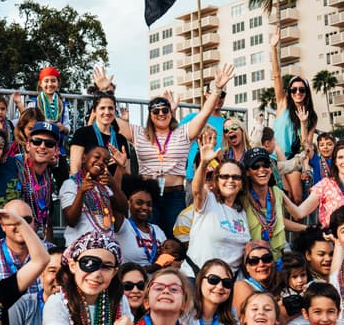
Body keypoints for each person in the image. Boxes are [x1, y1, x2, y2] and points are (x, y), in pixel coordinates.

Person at [111, 64, 233, 234]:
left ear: (170, 112)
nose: (161, 113)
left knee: (175, 240)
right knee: (147, 235)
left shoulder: (183, 132)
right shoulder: (139, 133)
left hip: (174, 195)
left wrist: (217, 90)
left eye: (165, 110)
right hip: (148, 195)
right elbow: (111, 119)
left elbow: (204, 114)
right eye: (156, 110)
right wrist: (106, 93)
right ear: (150, 115)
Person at [189, 133, 251, 273]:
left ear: (242, 184)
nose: (230, 180)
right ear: (217, 181)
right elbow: (197, 191)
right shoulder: (208, 200)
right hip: (199, 277)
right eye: (224, 176)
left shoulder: (242, 212)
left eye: (236, 177)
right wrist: (204, 163)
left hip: (229, 281)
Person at [268, 28, 318, 200]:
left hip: (293, 159)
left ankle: (293, 227)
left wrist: (303, 123)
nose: (298, 92)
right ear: (289, 92)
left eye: (301, 89)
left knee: (296, 198)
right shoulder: (283, 103)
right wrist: (273, 48)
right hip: (273, 156)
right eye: (294, 89)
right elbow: (276, 75)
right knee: (283, 194)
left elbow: (307, 146)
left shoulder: (311, 116)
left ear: (306, 92)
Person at [0, 121, 61, 244]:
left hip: (21, 244)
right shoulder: (8, 164)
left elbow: (47, 219)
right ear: (28, 145)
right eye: (37, 141)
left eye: (49, 144)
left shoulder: (47, 180)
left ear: (56, 150)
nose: (42, 146)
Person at [291, 139, 344, 229]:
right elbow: (299, 213)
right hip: (333, 241)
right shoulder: (325, 185)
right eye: (340, 157)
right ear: (335, 162)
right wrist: (281, 195)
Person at [61, 144, 129, 244]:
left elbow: (123, 208)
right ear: (84, 158)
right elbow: (71, 221)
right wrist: (81, 192)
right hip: (80, 248)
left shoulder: (105, 187)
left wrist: (114, 184)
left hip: (106, 247)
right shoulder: (71, 184)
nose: (101, 162)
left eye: (105, 161)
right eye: (97, 157)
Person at [242, 147, 304, 254]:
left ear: (270, 169)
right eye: (255, 166)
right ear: (247, 172)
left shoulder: (277, 192)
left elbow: (286, 218)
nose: (261, 169)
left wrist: (309, 228)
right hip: (256, 261)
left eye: (266, 165)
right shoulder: (242, 198)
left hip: (279, 256)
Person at [68, 90, 128, 174]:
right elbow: (75, 170)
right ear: (95, 111)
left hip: (114, 186)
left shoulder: (121, 139)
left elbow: (127, 175)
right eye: (102, 108)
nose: (107, 112)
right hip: (88, 185)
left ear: (115, 111)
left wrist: (121, 165)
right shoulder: (82, 134)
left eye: (110, 108)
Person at [113, 178, 165, 267]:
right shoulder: (123, 225)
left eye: (149, 204)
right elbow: (115, 199)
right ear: (129, 203)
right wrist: (120, 167)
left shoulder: (157, 230)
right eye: (139, 203)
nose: (145, 207)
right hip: (129, 278)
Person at [190, 258, 241, 325]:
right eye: (213, 280)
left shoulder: (232, 312)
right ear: (200, 281)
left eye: (227, 282)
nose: (220, 286)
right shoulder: (185, 310)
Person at [14, 66, 74, 139]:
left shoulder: (63, 106)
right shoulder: (33, 102)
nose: (50, 84)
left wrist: (64, 128)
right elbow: (27, 118)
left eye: (53, 81)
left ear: (58, 83)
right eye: (46, 81)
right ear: (40, 84)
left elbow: (67, 125)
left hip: (55, 144)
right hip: (36, 141)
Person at [234, 240, 281, 313]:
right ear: (247, 267)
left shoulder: (277, 286)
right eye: (254, 261)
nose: (261, 264)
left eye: (266, 258)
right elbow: (252, 319)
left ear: (273, 262)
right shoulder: (241, 286)